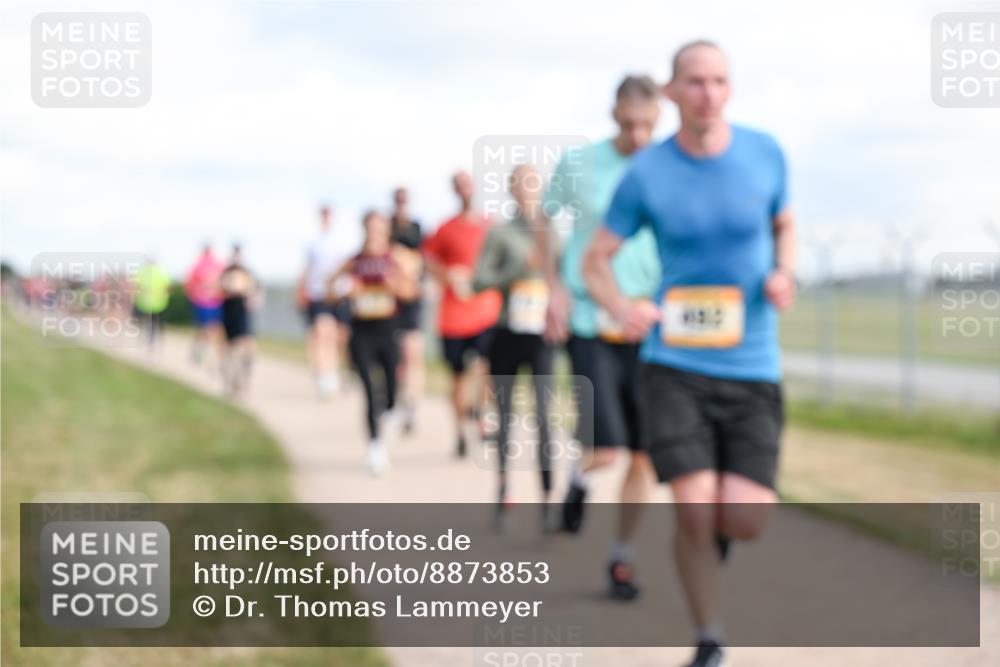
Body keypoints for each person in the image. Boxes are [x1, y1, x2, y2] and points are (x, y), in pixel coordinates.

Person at [583, 41, 796, 667]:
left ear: (730, 90)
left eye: (719, 81)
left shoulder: (766, 154)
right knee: (695, 507)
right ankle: (710, 638)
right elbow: (597, 260)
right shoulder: (648, 173)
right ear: (672, 92)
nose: (708, 92)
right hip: (674, 365)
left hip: (753, 364)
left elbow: (785, 223)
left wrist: (784, 271)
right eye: (695, 82)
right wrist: (622, 307)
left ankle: (718, 539)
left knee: (745, 518)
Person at [533, 75, 662, 601]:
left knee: (644, 457)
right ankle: (579, 483)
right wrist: (555, 287)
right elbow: (543, 217)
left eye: (648, 126)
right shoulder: (580, 163)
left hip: (647, 322)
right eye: (628, 124)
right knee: (606, 449)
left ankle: (621, 558)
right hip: (589, 319)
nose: (637, 136)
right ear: (613, 114)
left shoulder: (667, 166)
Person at [473, 165, 558, 529]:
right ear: (511, 190)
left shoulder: (552, 231)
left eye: (533, 184)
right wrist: (515, 271)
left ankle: (547, 501)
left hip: (542, 336)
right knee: (506, 419)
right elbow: (479, 280)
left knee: (543, 417)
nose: (528, 191)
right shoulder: (501, 234)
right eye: (521, 185)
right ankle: (504, 491)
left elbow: (568, 276)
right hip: (508, 333)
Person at [328, 210, 421, 475]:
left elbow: (412, 292)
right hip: (362, 332)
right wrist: (346, 289)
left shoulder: (395, 259)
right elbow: (330, 291)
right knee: (369, 389)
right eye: (370, 228)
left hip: (388, 330)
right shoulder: (353, 261)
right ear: (364, 229)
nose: (374, 233)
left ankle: (391, 416)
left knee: (391, 390)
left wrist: (395, 287)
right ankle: (375, 447)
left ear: (386, 231)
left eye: (379, 228)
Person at [423, 171, 502, 458]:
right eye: (459, 186)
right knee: (457, 378)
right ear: (454, 191)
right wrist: (448, 275)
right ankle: (459, 432)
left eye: (468, 184)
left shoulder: (490, 226)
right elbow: (427, 261)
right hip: (454, 317)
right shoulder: (445, 228)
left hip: (486, 312)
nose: (465, 190)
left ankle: (481, 415)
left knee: (486, 368)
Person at [298, 205, 354, 399]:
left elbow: (351, 267)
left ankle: (339, 370)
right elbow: (306, 269)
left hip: (340, 294)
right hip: (319, 294)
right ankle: (325, 376)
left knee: (341, 338)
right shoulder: (313, 243)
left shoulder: (344, 241)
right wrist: (302, 291)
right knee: (323, 332)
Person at [388, 186, 425, 434]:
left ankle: (412, 405)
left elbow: (425, 260)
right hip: (390, 301)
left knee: (413, 354)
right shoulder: (386, 226)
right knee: (395, 358)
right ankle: (397, 399)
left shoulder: (417, 229)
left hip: (411, 298)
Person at [219, 244, 261, 398]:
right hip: (229, 313)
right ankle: (232, 380)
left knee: (245, 345)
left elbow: (256, 291)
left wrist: (252, 299)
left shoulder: (247, 273)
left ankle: (242, 378)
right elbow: (221, 290)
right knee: (231, 348)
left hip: (243, 314)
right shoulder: (227, 272)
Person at [184, 244, 224, 367]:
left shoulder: (217, 264)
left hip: (215, 302)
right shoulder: (199, 265)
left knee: (214, 329)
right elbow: (190, 283)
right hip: (203, 302)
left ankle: (206, 353)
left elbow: (223, 282)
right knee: (206, 329)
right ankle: (201, 352)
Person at [133, 255, 171, 351]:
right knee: (157, 322)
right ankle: (157, 340)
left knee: (146, 321)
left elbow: (136, 286)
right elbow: (167, 288)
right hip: (159, 303)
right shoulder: (162, 272)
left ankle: (146, 339)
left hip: (144, 302)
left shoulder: (141, 272)